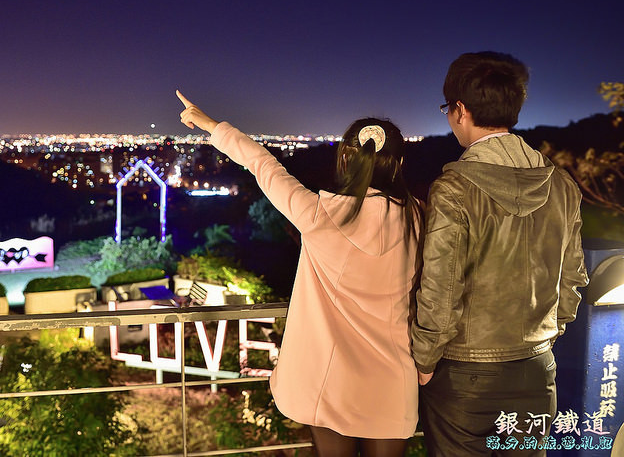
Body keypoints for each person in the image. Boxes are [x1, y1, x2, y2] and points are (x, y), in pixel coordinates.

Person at [177, 90, 423, 457]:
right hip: (392, 381)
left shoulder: (318, 213)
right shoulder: (419, 218)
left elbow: (263, 164)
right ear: (398, 161)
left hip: (329, 384)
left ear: (345, 158)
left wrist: (210, 125)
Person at [411, 51, 589, 456]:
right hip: (536, 369)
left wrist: (424, 360)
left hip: (466, 376)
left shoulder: (454, 188)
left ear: (460, 110)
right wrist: (547, 333)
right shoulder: (561, 186)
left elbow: (441, 286)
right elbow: (573, 277)